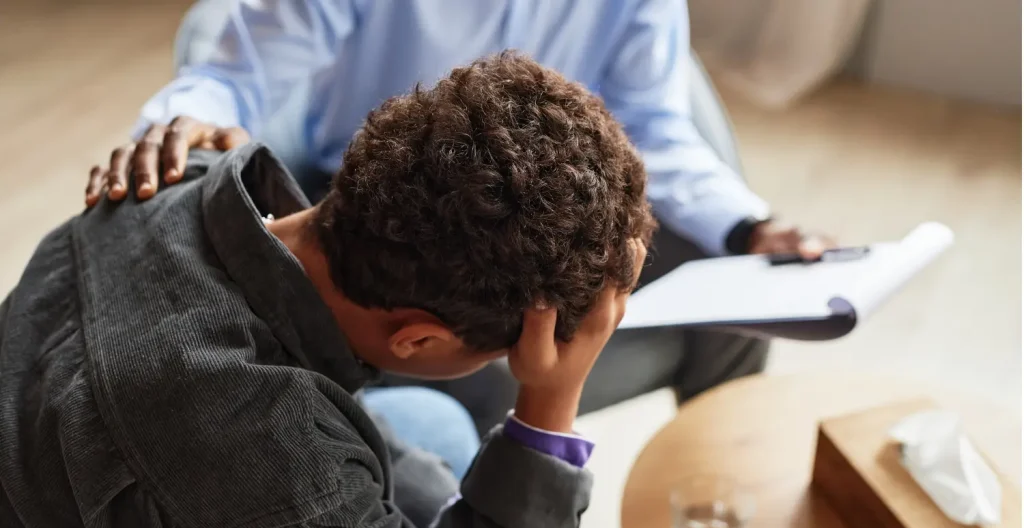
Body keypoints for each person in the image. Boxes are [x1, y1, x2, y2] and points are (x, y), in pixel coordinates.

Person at [0, 54, 653, 528]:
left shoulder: (181, 173)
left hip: (97, 511)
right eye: (496, 356)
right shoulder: (263, 452)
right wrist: (548, 405)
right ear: (418, 339)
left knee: (436, 426)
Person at [85, 0, 835, 436]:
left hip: (553, 202)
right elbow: (232, 76)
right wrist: (179, 132)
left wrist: (751, 228)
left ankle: (696, 511)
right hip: (380, 196)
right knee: (481, 361)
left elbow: (655, 124)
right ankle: (465, 525)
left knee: (743, 295)